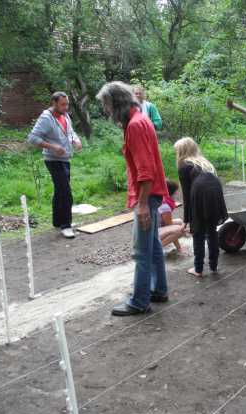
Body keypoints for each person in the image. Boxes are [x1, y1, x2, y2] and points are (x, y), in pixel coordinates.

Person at [96, 81, 169, 316]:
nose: (105, 110)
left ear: (116, 103)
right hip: (152, 193)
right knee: (153, 244)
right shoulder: (137, 120)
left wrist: (143, 204)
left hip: (148, 195)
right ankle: (159, 289)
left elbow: (145, 170)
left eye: (106, 105)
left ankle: (139, 301)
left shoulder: (136, 125)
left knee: (141, 252)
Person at [27, 92, 82, 239]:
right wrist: (52, 147)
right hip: (52, 159)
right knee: (66, 192)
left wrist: (76, 140)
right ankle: (66, 226)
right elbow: (32, 138)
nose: (66, 107)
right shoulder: (46, 118)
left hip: (65, 158)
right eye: (63, 104)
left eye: (67, 104)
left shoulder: (65, 115)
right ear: (54, 103)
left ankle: (58, 221)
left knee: (60, 190)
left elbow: (70, 132)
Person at [174, 137, 227, 277]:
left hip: (200, 192)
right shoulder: (204, 162)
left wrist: (187, 219)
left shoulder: (184, 165)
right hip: (215, 191)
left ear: (182, 151)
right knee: (211, 230)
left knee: (198, 232)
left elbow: (187, 195)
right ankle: (214, 267)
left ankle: (198, 269)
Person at [158, 179, 185, 252]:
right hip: (151, 234)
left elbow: (167, 224)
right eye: (176, 190)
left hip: (155, 228)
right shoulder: (165, 206)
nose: (178, 192)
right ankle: (156, 250)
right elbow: (170, 226)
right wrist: (179, 248)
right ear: (172, 192)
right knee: (180, 230)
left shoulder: (162, 199)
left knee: (179, 222)